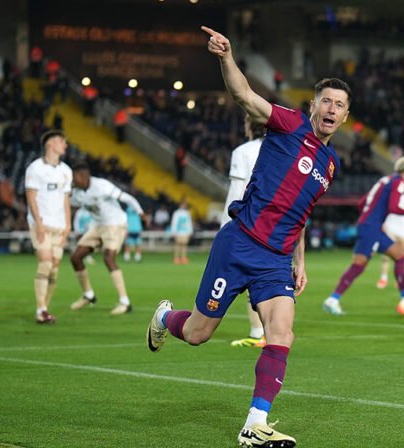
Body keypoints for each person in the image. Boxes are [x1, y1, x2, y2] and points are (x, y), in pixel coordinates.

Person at [146, 25, 350, 448]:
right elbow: (244, 96)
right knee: (200, 333)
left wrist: (300, 261)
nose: (331, 108)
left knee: (282, 332)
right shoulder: (289, 125)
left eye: (340, 105)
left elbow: (302, 214)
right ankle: (166, 317)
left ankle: (255, 424)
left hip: (276, 260)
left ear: (345, 117)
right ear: (314, 105)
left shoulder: (330, 165)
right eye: (326, 101)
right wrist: (226, 57)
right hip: (239, 244)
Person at [323, 156, 404, 318]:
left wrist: (371, 218)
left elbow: (362, 203)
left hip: (371, 227)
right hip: (371, 229)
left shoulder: (385, 180)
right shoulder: (399, 182)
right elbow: (393, 206)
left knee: (400, 255)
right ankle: (332, 299)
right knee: (358, 264)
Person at [69, 162, 145, 315]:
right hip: (97, 226)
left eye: (74, 177)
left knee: (109, 258)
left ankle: (125, 302)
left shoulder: (102, 186)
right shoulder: (77, 192)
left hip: (115, 224)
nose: (73, 180)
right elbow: (68, 203)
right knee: (76, 257)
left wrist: (140, 212)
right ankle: (88, 295)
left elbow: (126, 197)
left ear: (83, 176)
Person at [221, 115, 266, 348]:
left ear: (249, 125)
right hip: (277, 224)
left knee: (246, 278)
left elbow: (237, 192)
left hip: (249, 225)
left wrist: (224, 227)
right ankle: (271, 332)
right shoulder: (282, 149)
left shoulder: (243, 151)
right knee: (268, 279)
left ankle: (258, 332)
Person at [25, 130, 72, 324]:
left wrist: (68, 225)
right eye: (62, 141)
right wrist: (39, 224)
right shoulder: (35, 168)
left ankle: (44, 306)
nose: (65, 145)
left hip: (59, 226)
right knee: (45, 264)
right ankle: (41, 309)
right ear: (50, 144)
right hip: (42, 224)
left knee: (54, 269)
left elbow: (66, 200)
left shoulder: (66, 171)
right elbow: (31, 197)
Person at [170, 200, 193, 264]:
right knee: (177, 245)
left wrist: (190, 231)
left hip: (185, 232)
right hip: (178, 232)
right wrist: (173, 232)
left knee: (184, 245)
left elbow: (189, 223)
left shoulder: (187, 213)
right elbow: (174, 222)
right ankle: (176, 258)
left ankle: (183, 258)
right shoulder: (176, 213)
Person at [123, 198, 144, 263]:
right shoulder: (138, 210)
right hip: (134, 229)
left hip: (132, 229)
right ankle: (136, 257)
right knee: (137, 244)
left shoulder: (127, 210)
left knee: (129, 244)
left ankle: (128, 257)